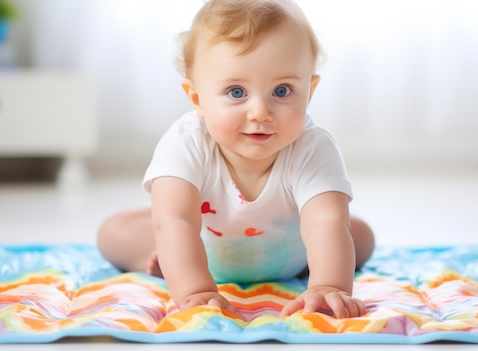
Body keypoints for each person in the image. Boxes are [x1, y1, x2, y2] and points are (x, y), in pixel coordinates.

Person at [97, 0, 375, 320]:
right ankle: (172, 263)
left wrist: (328, 285)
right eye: (236, 92)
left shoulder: (313, 147)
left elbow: (325, 221)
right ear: (197, 99)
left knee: (357, 233)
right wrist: (195, 290)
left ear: (309, 92)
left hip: (293, 255)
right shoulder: (186, 142)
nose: (260, 112)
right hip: (203, 248)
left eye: (282, 91)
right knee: (115, 232)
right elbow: (176, 221)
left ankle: (317, 264)